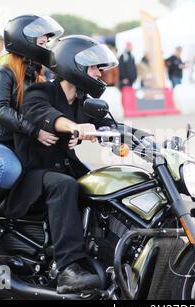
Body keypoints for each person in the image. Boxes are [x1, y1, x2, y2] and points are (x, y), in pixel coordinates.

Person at [8, 35, 118, 293]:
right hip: (32, 175)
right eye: (92, 67)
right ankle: (68, 269)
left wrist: (144, 139)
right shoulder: (40, 92)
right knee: (65, 185)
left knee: (105, 187)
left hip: (62, 169)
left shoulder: (82, 102)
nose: (98, 73)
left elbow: (110, 126)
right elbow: (44, 115)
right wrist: (74, 128)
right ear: (73, 66)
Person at [0, 15, 65, 252]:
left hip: (22, 146)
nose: (46, 42)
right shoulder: (5, 70)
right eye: (42, 38)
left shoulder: (37, 73)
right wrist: (34, 131)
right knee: (10, 170)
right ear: (25, 38)